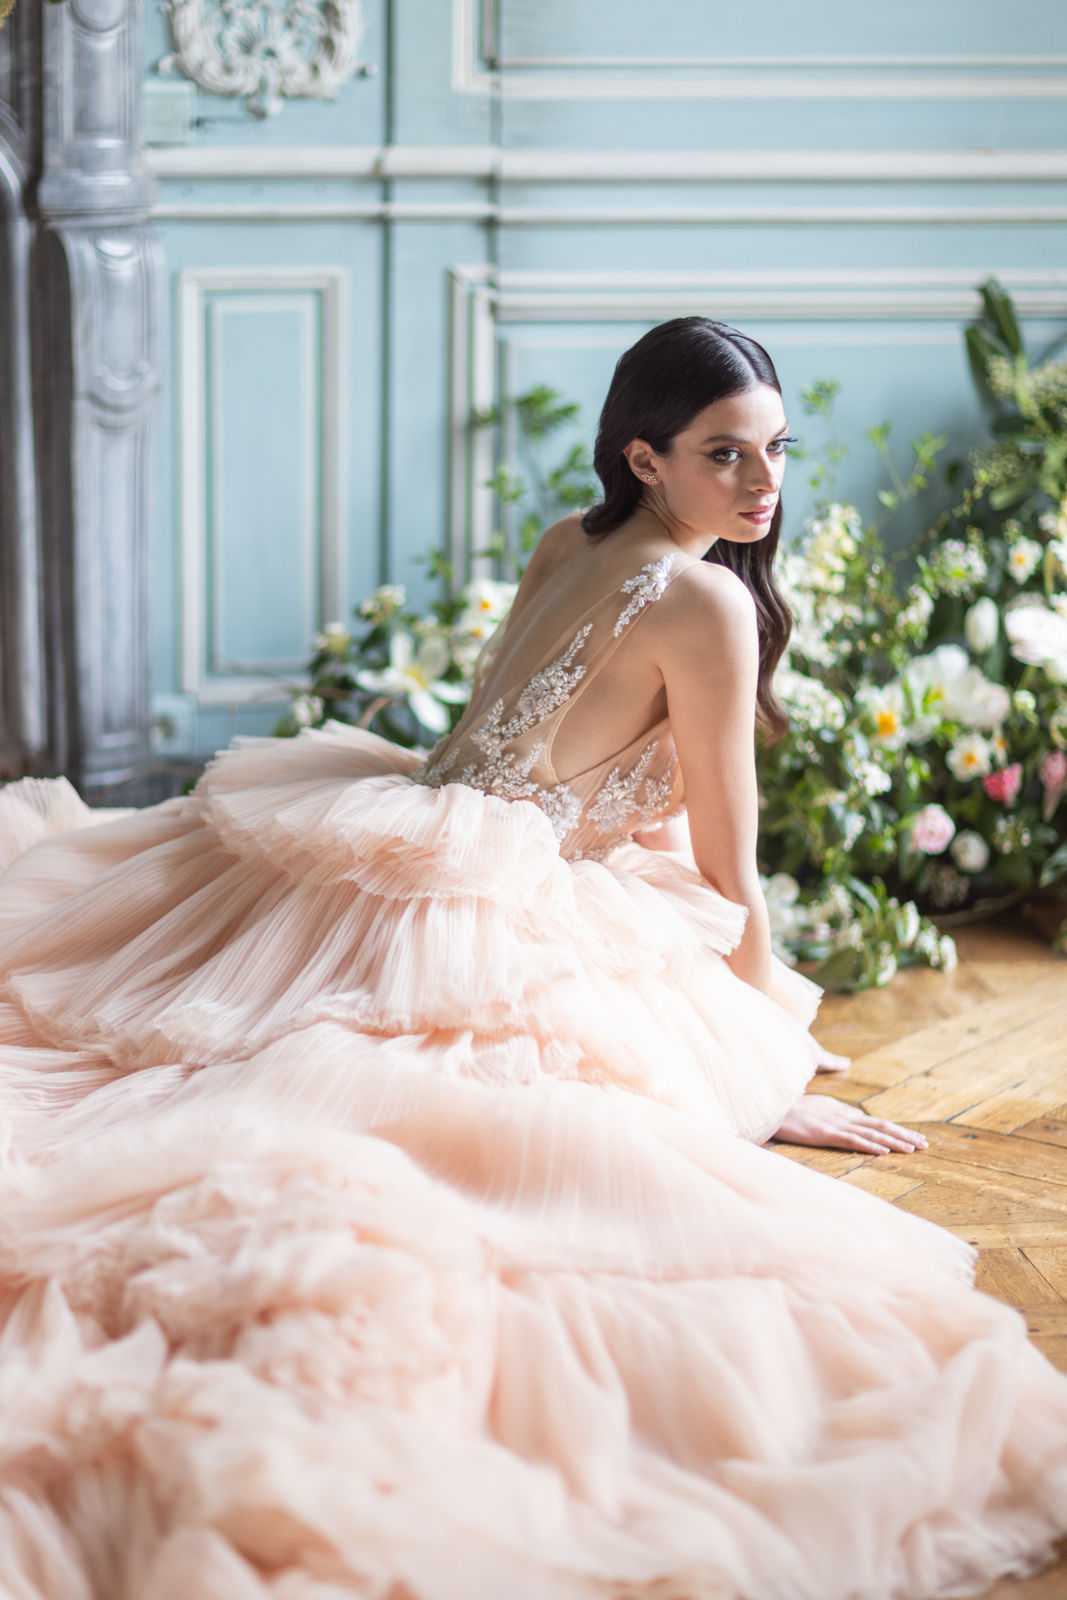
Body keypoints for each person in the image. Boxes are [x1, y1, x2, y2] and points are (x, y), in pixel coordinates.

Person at [0, 316, 1064, 1599]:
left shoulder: (575, 535)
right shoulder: (708, 601)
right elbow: (730, 855)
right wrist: (759, 1050)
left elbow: (523, 752)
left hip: (405, 831)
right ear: (646, 456)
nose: (762, 484)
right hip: (474, 887)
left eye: (775, 450)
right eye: (723, 457)